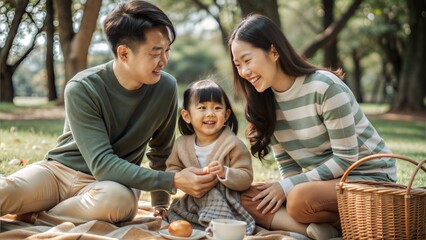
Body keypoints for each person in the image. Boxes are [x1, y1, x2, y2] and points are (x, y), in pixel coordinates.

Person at [0, 0, 216, 226]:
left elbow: (161, 152)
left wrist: (160, 204)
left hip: (112, 186)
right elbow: (102, 163)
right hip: (58, 173)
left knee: (118, 203)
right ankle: (51, 210)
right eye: (155, 52)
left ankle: (34, 216)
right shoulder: (82, 87)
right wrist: (173, 180)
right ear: (124, 53)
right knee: (6, 191)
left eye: (167, 50)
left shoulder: (166, 87)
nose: (163, 61)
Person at [228, 14, 397, 240]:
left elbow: (345, 160)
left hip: (368, 177)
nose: (244, 72)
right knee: (245, 196)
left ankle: (337, 224)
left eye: (247, 61)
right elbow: (288, 166)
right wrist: (285, 186)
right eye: (238, 65)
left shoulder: (324, 87)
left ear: (274, 51)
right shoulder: (265, 103)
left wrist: (288, 188)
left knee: (298, 199)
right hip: (328, 185)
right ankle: (314, 230)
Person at [164, 79, 256, 234]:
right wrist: (181, 176)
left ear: (226, 115)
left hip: (226, 201)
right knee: (175, 212)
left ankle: (215, 225)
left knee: (215, 201)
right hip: (193, 200)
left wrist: (225, 172)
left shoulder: (232, 144)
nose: (210, 114)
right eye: (202, 107)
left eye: (217, 108)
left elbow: (246, 177)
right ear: (187, 116)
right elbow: (171, 169)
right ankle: (200, 225)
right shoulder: (181, 144)